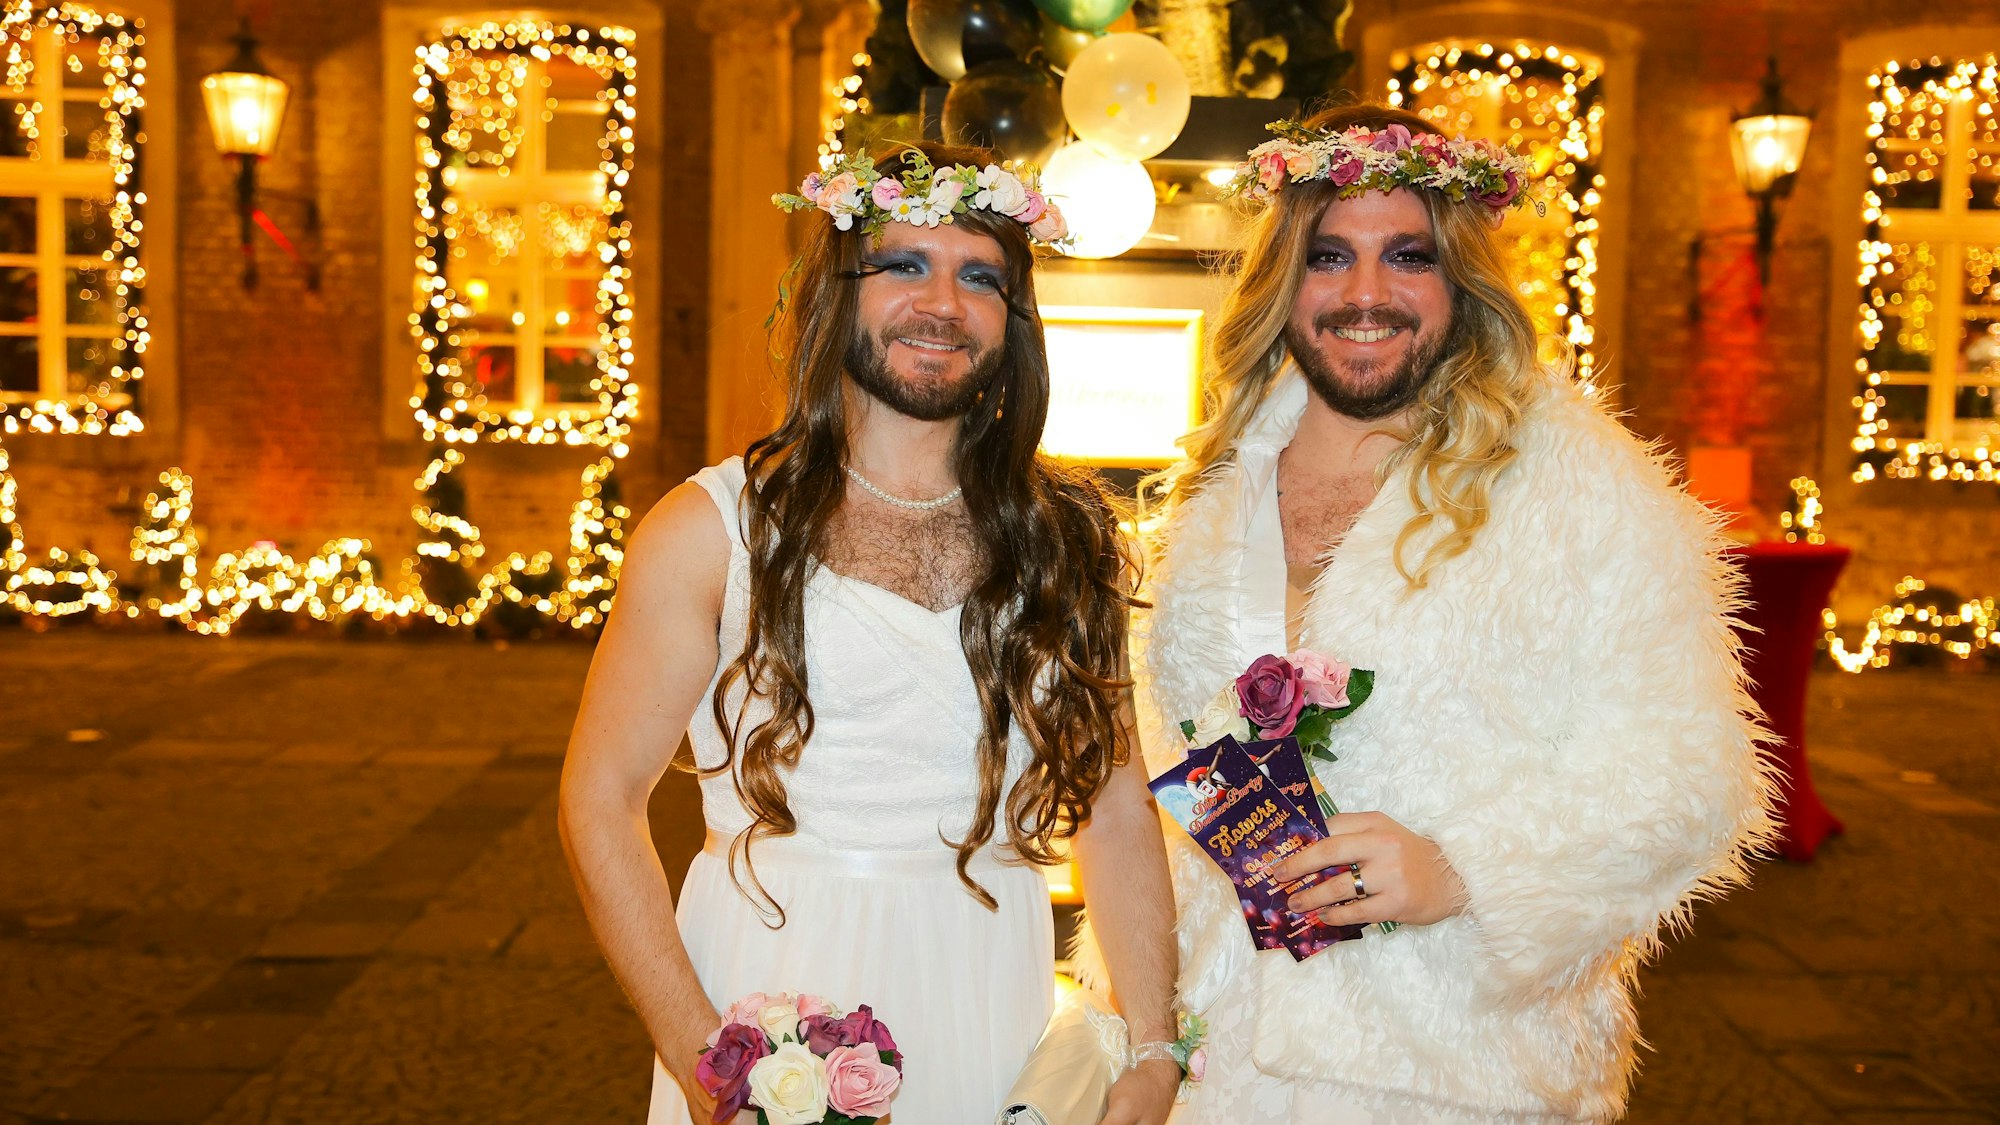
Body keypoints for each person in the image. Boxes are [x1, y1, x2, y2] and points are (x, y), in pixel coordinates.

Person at [1130, 104, 1777, 1122]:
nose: (1364, 294)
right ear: (1282, 281)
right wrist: (1143, 1030)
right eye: (1328, 255)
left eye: (1408, 257)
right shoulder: (1224, 481)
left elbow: (1690, 776)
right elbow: (1168, 761)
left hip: (1450, 1066)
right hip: (1223, 1058)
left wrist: (1463, 870)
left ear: (1458, 279)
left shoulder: (1569, 482)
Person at [558, 142, 1181, 1125]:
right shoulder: (710, 530)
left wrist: (1151, 1045)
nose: (940, 304)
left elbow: (1111, 804)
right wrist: (707, 1062)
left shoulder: (1064, 537)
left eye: (979, 276)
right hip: (768, 1006)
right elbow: (600, 802)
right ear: (837, 293)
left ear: (1012, 319)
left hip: (990, 994)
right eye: (902, 265)